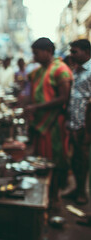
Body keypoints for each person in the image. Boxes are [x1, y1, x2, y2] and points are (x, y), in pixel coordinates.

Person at [25, 37, 73, 205]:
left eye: (37, 53)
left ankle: (54, 196)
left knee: (54, 160)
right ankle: (44, 196)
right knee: (41, 161)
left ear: (48, 52)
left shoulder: (60, 69)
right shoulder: (40, 70)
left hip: (54, 124)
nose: (34, 57)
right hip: (40, 124)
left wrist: (36, 108)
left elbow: (63, 97)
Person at [63, 39, 91, 204]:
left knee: (82, 158)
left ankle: (82, 192)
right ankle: (77, 189)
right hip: (74, 123)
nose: (71, 55)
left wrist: (88, 130)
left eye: (75, 52)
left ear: (86, 52)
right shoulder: (77, 70)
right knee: (75, 158)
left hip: (84, 125)